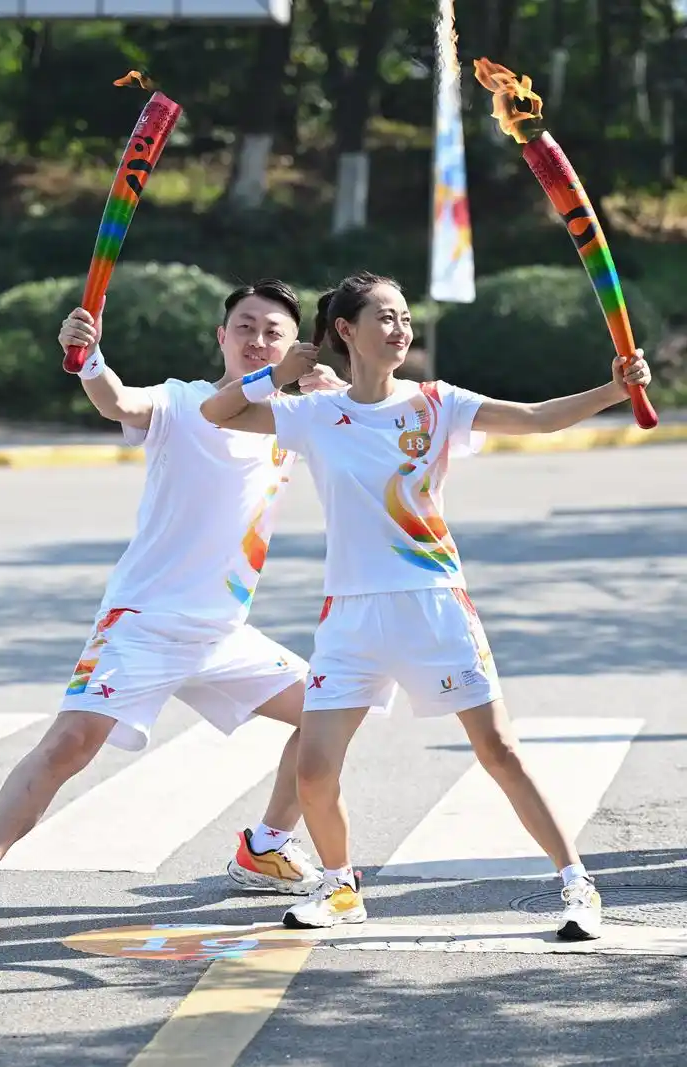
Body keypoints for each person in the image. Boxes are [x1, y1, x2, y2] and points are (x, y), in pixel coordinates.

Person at [200, 270, 653, 942]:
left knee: (498, 750)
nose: (401, 327)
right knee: (315, 768)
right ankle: (340, 886)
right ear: (346, 332)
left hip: (433, 604)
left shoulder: (436, 404)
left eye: (404, 315)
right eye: (384, 316)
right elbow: (219, 412)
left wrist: (616, 388)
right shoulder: (314, 414)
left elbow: (535, 418)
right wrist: (282, 371)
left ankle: (576, 881)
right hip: (350, 616)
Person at [0, 279, 347, 939]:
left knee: (329, 711)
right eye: (244, 326)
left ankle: (265, 846)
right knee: (69, 743)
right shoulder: (183, 401)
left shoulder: (293, 419)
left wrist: (340, 400)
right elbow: (115, 400)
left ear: (295, 344)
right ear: (221, 336)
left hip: (222, 632)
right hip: (143, 623)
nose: (257, 339)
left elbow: (378, 441)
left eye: (273, 330)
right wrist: (90, 359)